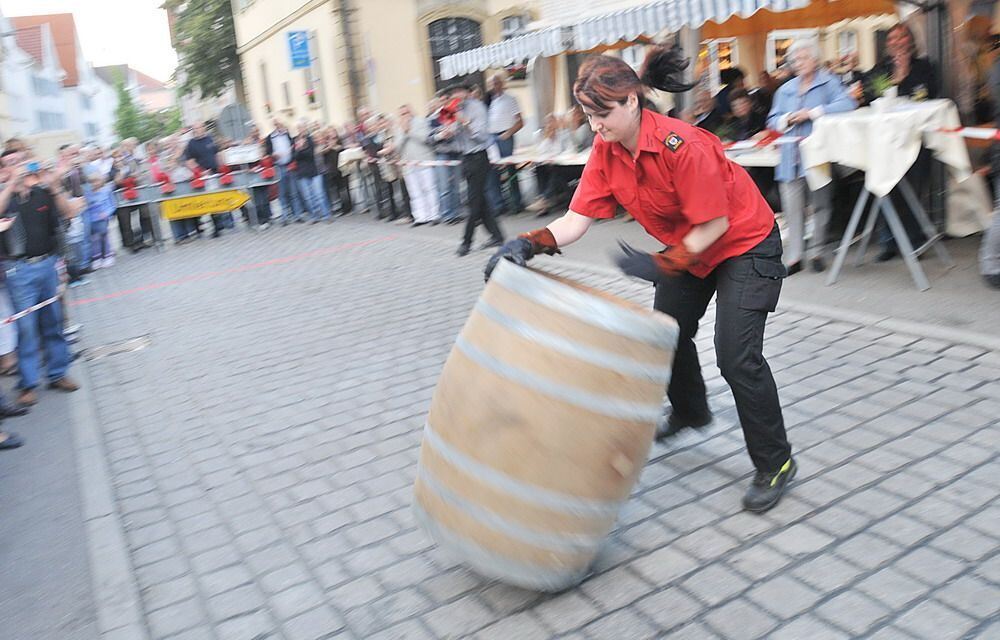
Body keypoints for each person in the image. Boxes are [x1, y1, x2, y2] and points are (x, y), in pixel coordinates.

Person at [485, 47, 796, 513]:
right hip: (691, 249)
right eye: (588, 115)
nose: (595, 126)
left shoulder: (683, 145)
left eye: (602, 114)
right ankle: (692, 411)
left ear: (632, 101)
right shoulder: (607, 152)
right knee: (664, 336)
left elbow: (712, 226)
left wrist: (665, 266)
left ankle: (776, 463)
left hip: (744, 243)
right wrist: (526, 243)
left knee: (736, 357)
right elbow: (574, 220)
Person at [767, 39, 856, 274]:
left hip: (817, 156)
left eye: (803, 58)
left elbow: (848, 103)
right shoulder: (785, 89)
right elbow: (772, 119)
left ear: (815, 59)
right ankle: (795, 257)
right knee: (792, 208)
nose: (798, 63)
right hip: (790, 158)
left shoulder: (828, 82)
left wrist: (814, 113)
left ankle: (817, 252)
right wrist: (786, 119)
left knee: (820, 204)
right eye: (795, 60)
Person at [0, 160, 81, 406]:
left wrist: (54, 185)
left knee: (53, 321)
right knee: (26, 328)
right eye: (12, 165)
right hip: (18, 268)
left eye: (24, 164)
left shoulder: (42, 192)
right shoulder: (5, 197)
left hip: (47, 264)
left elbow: (68, 213)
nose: (22, 169)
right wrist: (12, 184)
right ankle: (28, 383)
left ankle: (58, 373)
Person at [442, 82, 505, 256]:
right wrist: (447, 134)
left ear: (466, 93)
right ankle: (497, 236)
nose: (455, 95)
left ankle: (466, 242)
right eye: (453, 92)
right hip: (466, 158)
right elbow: (454, 141)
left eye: (458, 91)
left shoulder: (477, 108)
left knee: (473, 201)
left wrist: (466, 123)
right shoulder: (453, 110)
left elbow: (482, 136)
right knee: (481, 200)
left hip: (479, 156)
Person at [395, 104, 440, 226]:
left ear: (411, 112)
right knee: (414, 191)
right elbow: (397, 146)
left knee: (429, 188)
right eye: (401, 114)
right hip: (408, 162)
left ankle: (434, 215)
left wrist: (410, 131)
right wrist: (404, 132)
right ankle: (420, 217)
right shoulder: (399, 127)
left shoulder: (421, 122)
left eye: (406, 113)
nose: (404, 116)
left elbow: (425, 138)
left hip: (423, 159)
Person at [486, 75, 524, 215]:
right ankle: (498, 204)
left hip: (504, 136)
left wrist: (508, 133)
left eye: (496, 83)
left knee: (510, 169)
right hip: (491, 137)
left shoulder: (510, 99)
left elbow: (520, 121)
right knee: (492, 171)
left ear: (502, 84)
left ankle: (516, 203)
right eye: (491, 84)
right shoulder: (489, 101)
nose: (493, 86)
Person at [183, 123, 229, 237]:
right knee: (209, 201)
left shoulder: (210, 138)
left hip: (215, 173)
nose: (198, 129)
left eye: (200, 127)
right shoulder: (191, 144)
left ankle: (221, 223)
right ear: (193, 130)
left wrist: (222, 166)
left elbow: (217, 153)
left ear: (204, 128)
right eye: (196, 128)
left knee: (219, 199)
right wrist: (200, 171)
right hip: (203, 176)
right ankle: (215, 227)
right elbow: (189, 161)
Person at [266, 119, 305, 225]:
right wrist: (273, 155)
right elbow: (268, 152)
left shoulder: (287, 135)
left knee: (294, 192)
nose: (278, 126)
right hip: (279, 166)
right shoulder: (270, 138)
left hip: (290, 165)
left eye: (280, 124)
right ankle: (284, 217)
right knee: (282, 193)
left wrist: (292, 159)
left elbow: (293, 148)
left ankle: (298, 215)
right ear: (274, 125)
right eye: (276, 124)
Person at [292, 121, 331, 223]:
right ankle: (314, 216)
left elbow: (310, 154)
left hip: (314, 171)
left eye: (303, 127)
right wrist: (299, 149)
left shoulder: (311, 139)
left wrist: (300, 150)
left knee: (319, 194)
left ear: (306, 128)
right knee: (308, 197)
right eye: (299, 128)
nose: (302, 130)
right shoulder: (295, 140)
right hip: (302, 173)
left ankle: (326, 215)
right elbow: (294, 157)